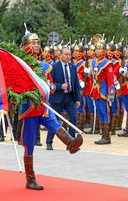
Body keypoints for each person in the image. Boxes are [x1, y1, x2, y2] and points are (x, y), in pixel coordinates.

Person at [18, 28, 83, 190]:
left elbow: (50, 84)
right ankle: (30, 179)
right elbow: (17, 86)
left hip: (43, 105)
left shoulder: (43, 65)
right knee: (29, 143)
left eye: (38, 42)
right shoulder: (21, 65)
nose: (36, 45)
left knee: (54, 123)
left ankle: (70, 142)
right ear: (26, 45)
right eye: (33, 42)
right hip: (29, 107)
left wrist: (52, 86)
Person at [46, 46, 82, 145]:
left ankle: (71, 143)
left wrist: (78, 99)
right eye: (66, 54)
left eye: (69, 55)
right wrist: (59, 86)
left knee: (73, 118)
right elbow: (50, 83)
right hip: (58, 97)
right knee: (54, 119)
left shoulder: (72, 67)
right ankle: (49, 141)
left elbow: (76, 84)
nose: (68, 57)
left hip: (70, 97)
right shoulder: (54, 67)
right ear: (60, 55)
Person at [90, 39, 115, 144]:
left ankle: (107, 136)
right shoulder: (94, 61)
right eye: (96, 49)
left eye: (99, 49)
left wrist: (111, 94)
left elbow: (110, 80)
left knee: (105, 112)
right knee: (100, 112)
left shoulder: (107, 63)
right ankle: (102, 134)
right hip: (96, 88)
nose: (97, 51)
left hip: (104, 88)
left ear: (104, 50)